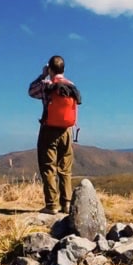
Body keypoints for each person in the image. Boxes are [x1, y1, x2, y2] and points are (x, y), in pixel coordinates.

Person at [27, 55, 81, 214]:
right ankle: (67, 204)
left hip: (49, 130)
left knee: (48, 167)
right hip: (67, 131)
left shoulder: (46, 85)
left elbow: (31, 91)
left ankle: (51, 205)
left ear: (50, 68)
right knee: (65, 169)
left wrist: (43, 75)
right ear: (63, 69)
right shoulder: (71, 85)